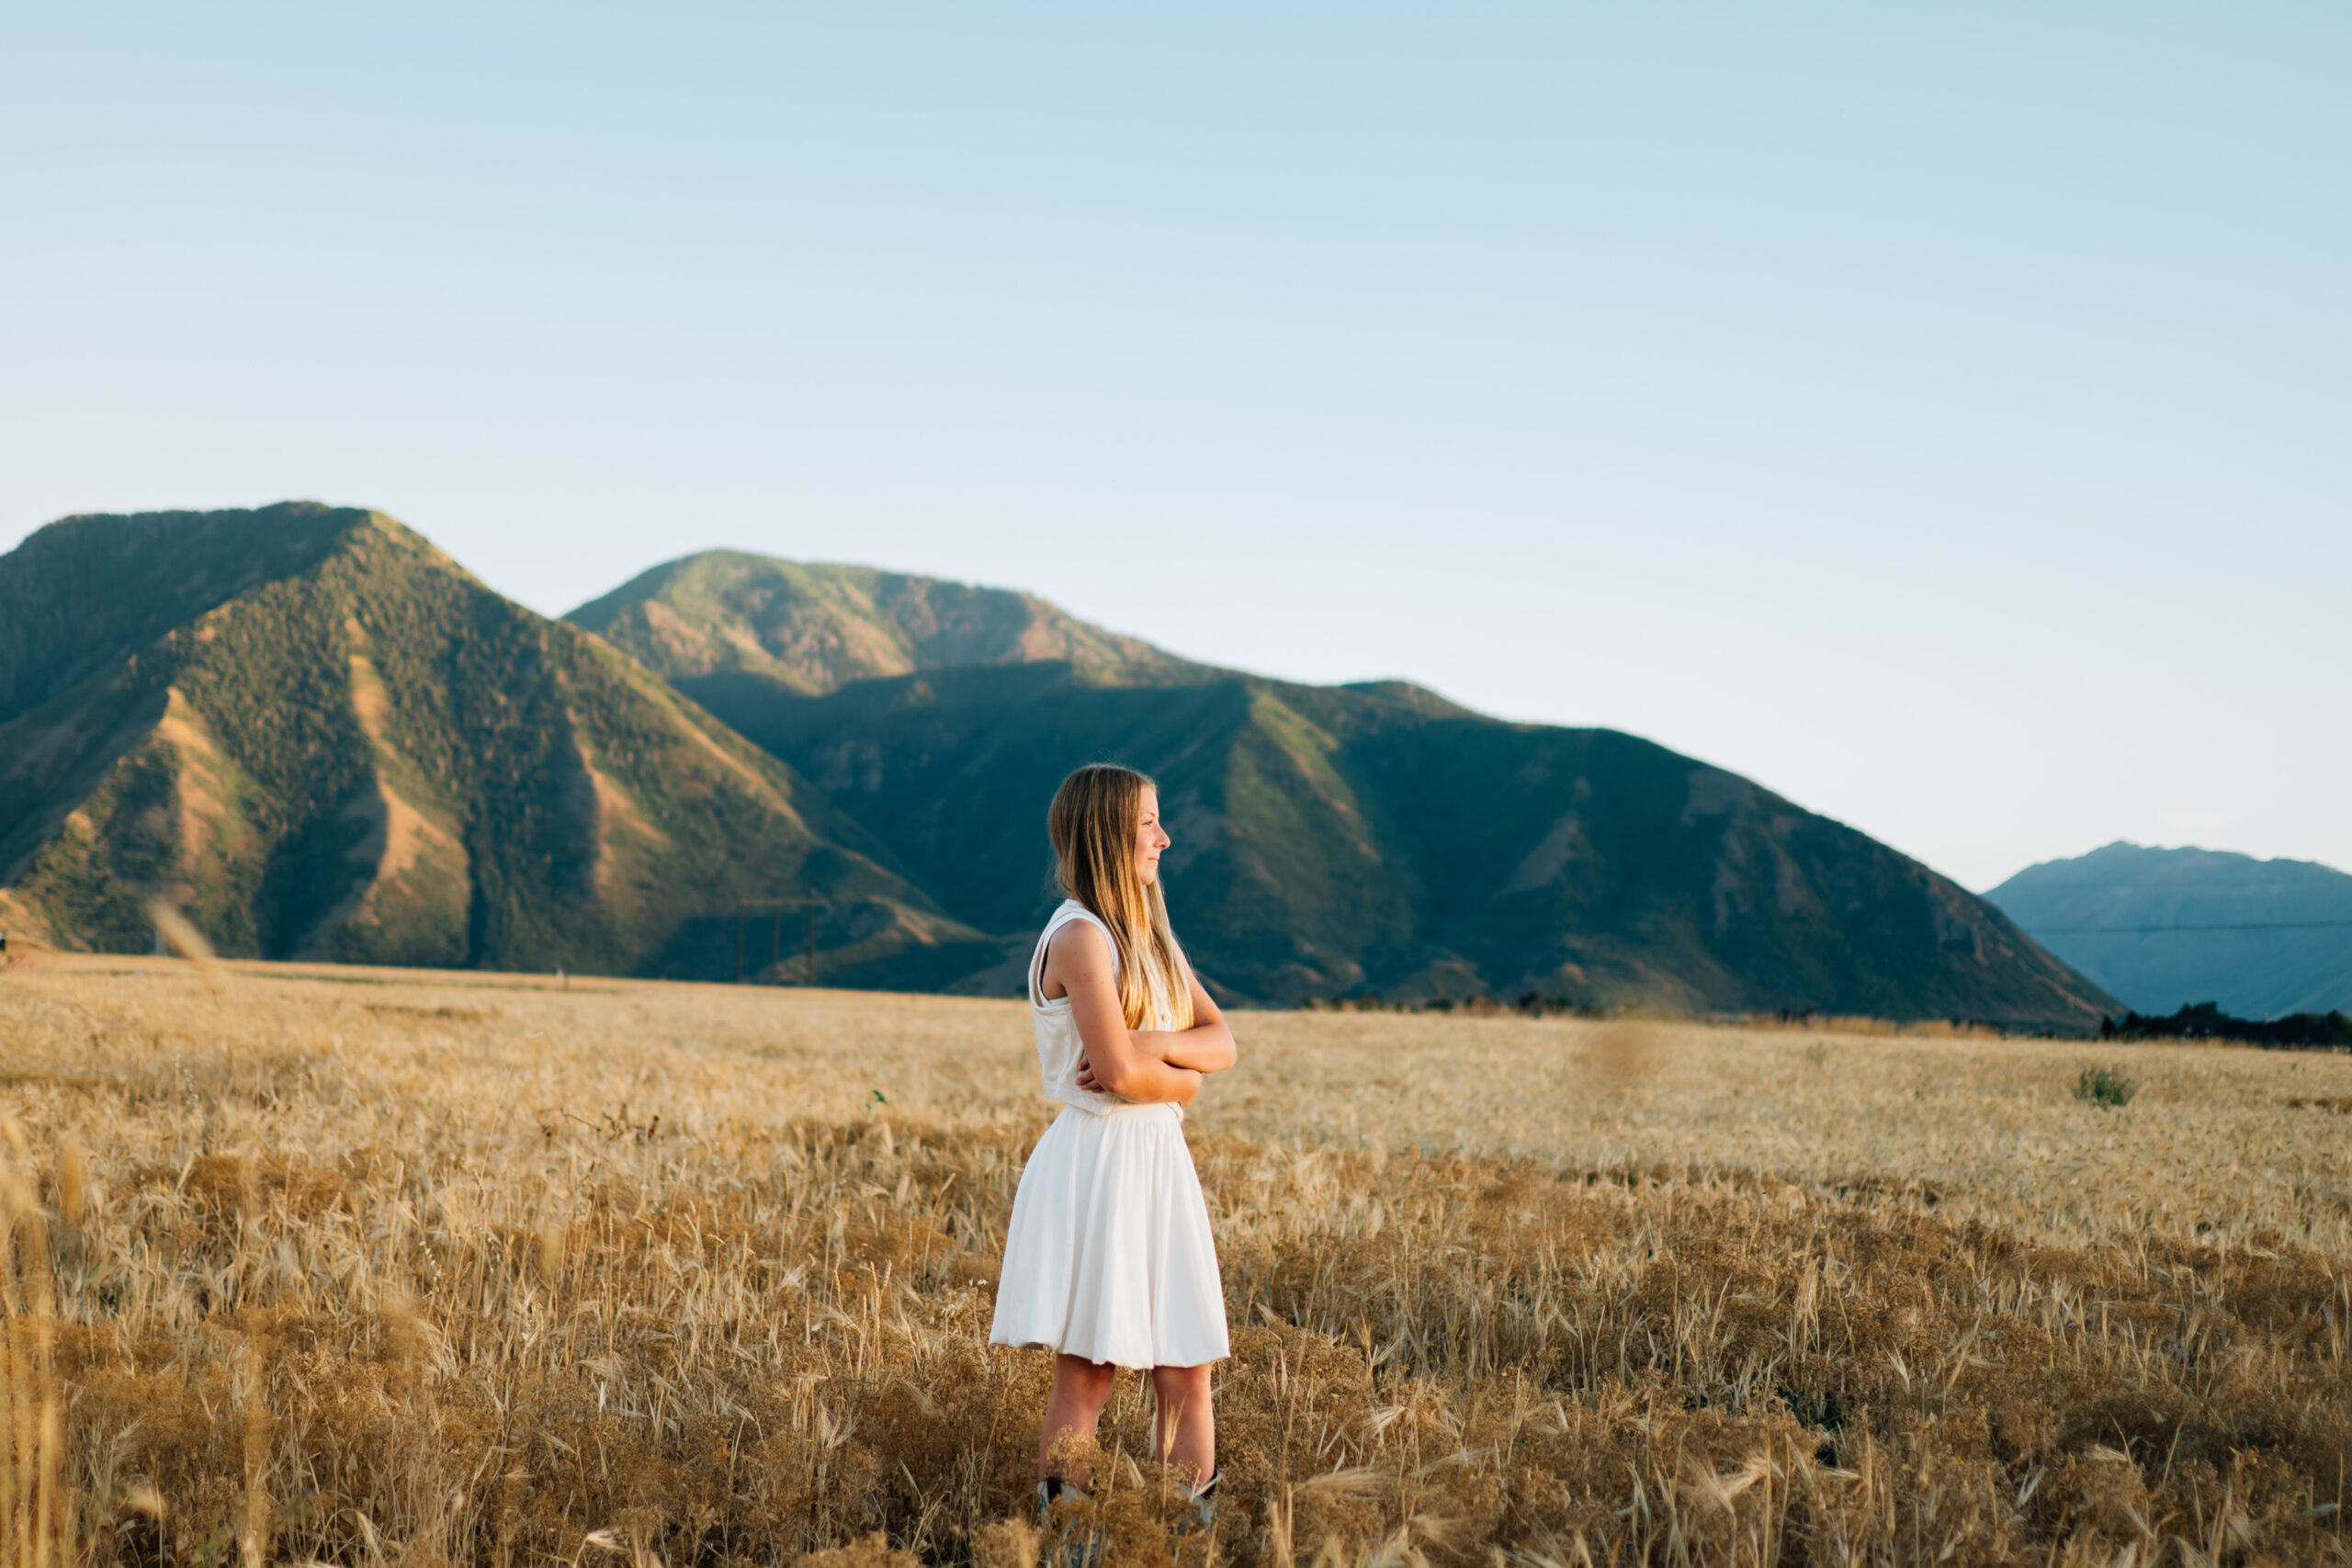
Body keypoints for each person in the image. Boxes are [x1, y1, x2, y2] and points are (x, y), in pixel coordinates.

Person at [989, 763, 1238, 1533]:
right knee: (1090, 1371)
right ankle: (1067, 1548)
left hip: (1158, 1163)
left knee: (1187, 1367)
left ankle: (1181, 1544)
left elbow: (1222, 1041)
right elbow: (1123, 1074)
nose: (1165, 837)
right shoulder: (1079, 937)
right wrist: (1181, 1081)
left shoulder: (1151, 935)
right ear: (1106, 832)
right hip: (1098, 1165)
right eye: (1148, 823)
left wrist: (1159, 1045)